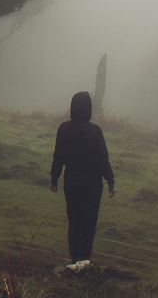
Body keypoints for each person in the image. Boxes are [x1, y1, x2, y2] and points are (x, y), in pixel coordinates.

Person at [48, 90, 115, 269]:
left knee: (74, 222)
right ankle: (84, 261)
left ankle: (73, 260)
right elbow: (102, 160)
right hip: (92, 185)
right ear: (89, 109)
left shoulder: (64, 129)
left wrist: (54, 179)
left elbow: (58, 157)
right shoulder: (95, 131)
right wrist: (111, 181)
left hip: (71, 183)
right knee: (89, 223)